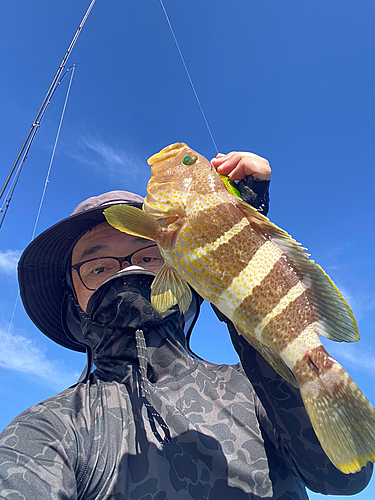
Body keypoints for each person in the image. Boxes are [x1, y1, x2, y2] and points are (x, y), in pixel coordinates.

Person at [0, 151, 372, 499]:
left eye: (147, 255)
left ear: (181, 269)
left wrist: (236, 242)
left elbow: (342, 476)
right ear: (72, 301)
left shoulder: (255, 391)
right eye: (99, 268)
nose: (127, 271)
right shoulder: (49, 430)